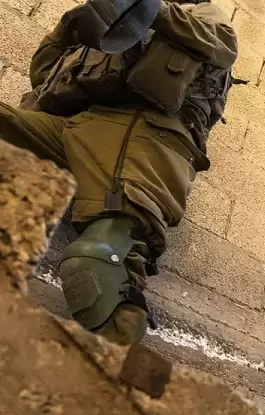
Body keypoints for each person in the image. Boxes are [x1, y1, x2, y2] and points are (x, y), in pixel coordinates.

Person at [0, 0, 237, 345]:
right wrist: (70, 26)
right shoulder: (105, 21)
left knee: (97, 263)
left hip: (141, 137)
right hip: (74, 126)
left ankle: (118, 374)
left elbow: (221, 44)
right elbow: (42, 75)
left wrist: (147, 9)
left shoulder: (202, 17)